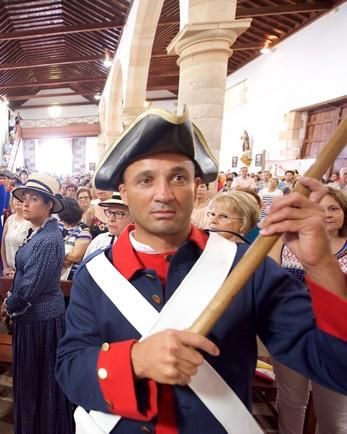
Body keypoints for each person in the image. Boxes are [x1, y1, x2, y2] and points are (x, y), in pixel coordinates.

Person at [55, 108, 347, 434]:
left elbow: (338, 368)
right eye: (146, 180)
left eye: (178, 177)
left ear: (196, 187)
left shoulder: (245, 267)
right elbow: (70, 369)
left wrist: (321, 264)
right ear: (123, 192)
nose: (163, 194)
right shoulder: (95, 276)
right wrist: (135, 361)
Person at [269, 187, 347, 434]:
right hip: (293, 331)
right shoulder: (285, 244)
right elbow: (270, 284)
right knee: (291, 402)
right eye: (319, 209)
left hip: (337, 335)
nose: (326, 214)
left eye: (333, 208)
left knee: (335, 415)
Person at [4, 172, 74, 434]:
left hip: (40, 323)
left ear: (48, 205)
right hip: (33, 319)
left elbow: (30, 288)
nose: (25, 203)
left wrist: (10, 304)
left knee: (37, 382)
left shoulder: (47, 239)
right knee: (33, 381)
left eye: (34, 199)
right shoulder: (39, 232)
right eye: (24, 198)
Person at [84, 192, 132, 257]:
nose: (111, 219)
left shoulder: (141, 247)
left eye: (119, 213)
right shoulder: (99, 241)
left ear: (134, 217)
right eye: (109, 212)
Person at [58, 197, 92, 280]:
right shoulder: (57, 225)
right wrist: (61, 260)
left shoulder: (83, 230)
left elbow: (76, 257)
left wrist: (53, 256)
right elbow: (44, 249)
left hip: (70, 276)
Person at [1, 195, 31, 278]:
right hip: (9, 272)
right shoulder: (9, 219)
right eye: (15, 198)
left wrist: (20, 273)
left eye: (21, 198)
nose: (18, 200)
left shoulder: (30, 222)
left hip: (24, 273)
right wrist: (6, 268)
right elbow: (3, 246)